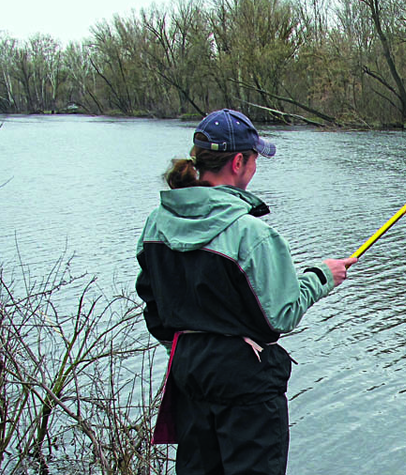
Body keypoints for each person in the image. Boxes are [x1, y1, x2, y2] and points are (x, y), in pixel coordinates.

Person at [135, 108, 356, 474]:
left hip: (187, 369)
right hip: (246, 382)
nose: (255, 167)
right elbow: (279, 317)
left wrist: (194, 344)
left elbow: (153, 305)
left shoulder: (157, 223)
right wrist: (322, 276)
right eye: (254, 159)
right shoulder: (251, 234)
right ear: (238, 161)